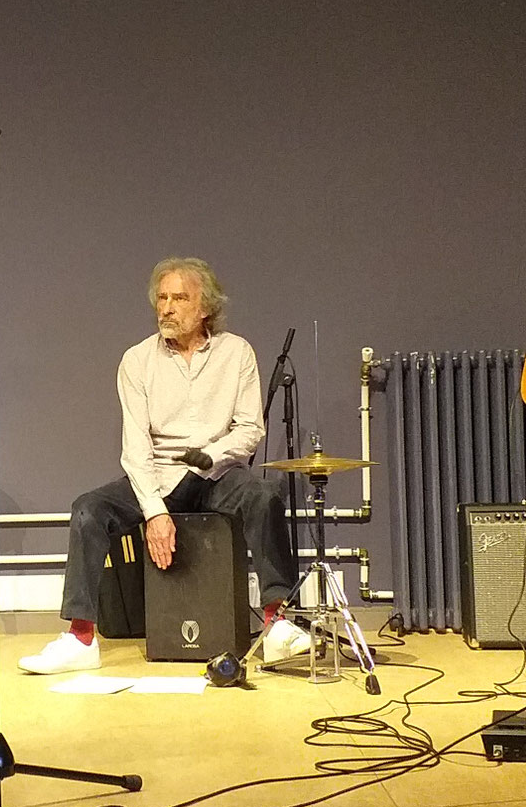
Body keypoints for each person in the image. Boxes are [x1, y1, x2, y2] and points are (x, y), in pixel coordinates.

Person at [20, 257, 309, 675]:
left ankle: (276, 621)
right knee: (88, 509)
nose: (167, 308)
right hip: (157, 473)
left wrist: (209, 456)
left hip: (216, 473)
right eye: (162, 298)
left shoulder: (236, 352)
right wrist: (154, 511)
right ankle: (80, 638)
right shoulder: (137, 360)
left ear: (205, 307)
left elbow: (249, 429)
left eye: (179, 298)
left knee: (264, 496)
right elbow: (135, 445)